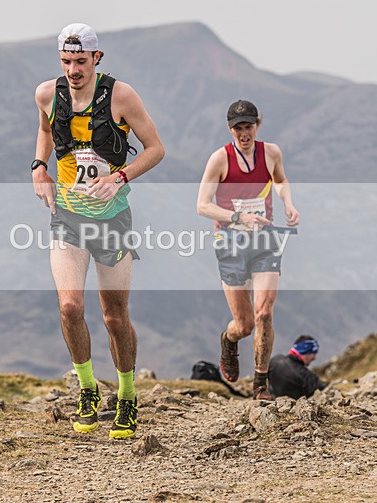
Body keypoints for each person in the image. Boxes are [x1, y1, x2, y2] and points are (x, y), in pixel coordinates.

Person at [32, 23, 165, 439]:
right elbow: (43, 130)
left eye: (81, 61)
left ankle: (127, 396)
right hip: (68, 217)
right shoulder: (46, 94)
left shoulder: (121, 96)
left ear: (97, 58)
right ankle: (87, 390)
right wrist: (39, 168)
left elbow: (156, 149)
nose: (73, 70)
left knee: (114, 316)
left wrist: (120, 178)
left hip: (112, 219)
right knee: (70, 307)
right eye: (66, 62)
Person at [196, 99, 300, 400]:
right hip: (230, 241)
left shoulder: (271, 152)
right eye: (238, 128)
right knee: (244, 324)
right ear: (230, 129)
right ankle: (228, 341)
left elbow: (280, 180)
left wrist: (287, 203)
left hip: (265, 239)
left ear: (258, 125)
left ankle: (260, 384)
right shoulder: (220, 159)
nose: (244, 133)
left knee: (264, 313)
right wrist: (240, 217)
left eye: (249, 126)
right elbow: (202, 206)